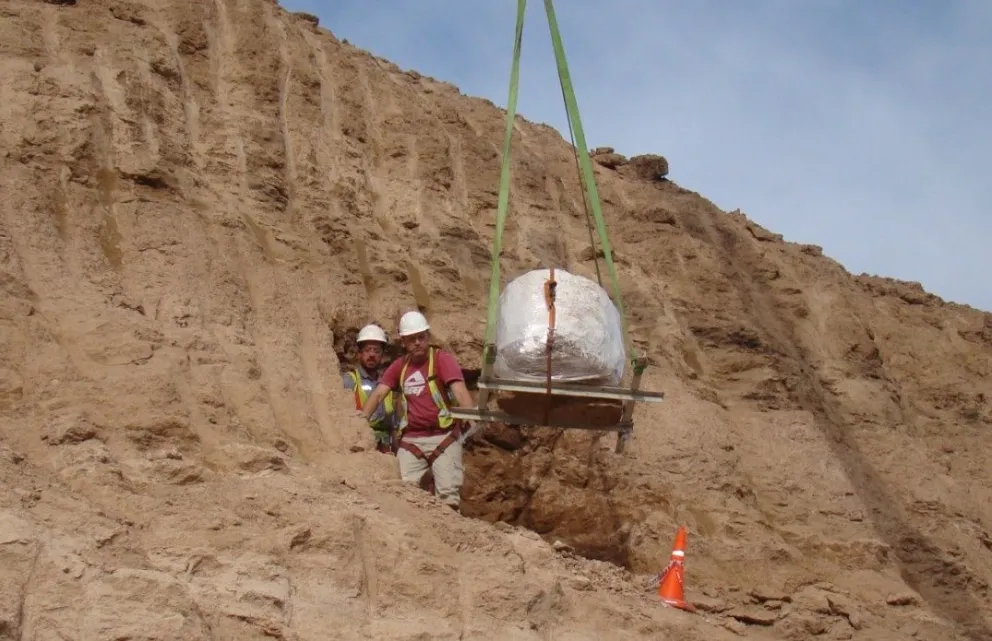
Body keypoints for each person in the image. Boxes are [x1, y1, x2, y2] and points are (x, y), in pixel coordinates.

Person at [358, 310, 474, 511]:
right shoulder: (399, 367)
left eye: (421, 337)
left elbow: (460, 391)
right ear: (403, 342)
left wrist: (471, 420)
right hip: (412, 440)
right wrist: (359, 423)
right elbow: (377, 395)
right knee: (403, 494)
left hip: (443, 437)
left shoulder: (442, 360)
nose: (417, 342)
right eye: (412, 339)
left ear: (428, 336)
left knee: (448, 498)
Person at [343, 323, 397, 454]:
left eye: (376, 351)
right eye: (368, 350)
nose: (372, 355)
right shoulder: (350, 380)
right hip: (361, 443)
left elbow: (393, 426)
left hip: (385, 447)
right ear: (359, 354)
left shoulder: (387, 383)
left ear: (382, 355)